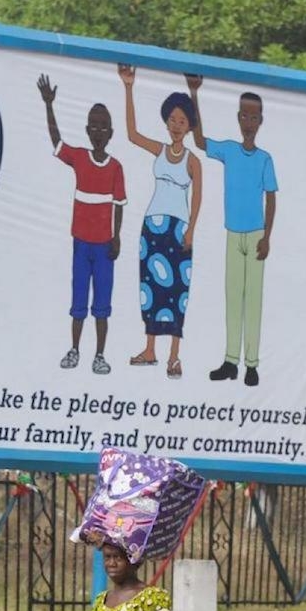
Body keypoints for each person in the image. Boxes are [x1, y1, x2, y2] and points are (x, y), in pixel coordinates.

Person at [185, 75, 278, 387]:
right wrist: (193, 93)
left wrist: (267, 236)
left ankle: (252, 364)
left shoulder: (265, 159)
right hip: (232, 234)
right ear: (238, 118)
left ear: (261, 121)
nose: (248, 121)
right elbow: (199, 141)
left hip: (254, 236)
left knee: (253, 300)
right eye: (244, 116)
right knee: (232, 298)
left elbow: (271, 197)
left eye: (254, 116)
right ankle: (230, 361)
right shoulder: (229, 151)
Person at [38, 74, 127, 375]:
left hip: (104, 246)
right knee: (79, 299)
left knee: (102, 302)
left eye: (104, 126)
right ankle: (74, 349)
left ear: (111, 132)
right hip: (81, 243)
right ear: (87, 130)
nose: (99, 131)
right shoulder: (79, 158)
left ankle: (99, 355)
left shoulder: (116, 167)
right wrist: (49, 105)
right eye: (94, 126)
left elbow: (119, 204)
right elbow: (57, 142)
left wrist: (117, 238)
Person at [119, 64, 203, 380]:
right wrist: (129, 87)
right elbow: (131, 134)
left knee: (178, 289)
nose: (177, 125)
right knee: (151, 287)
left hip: (178, 227)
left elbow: (197, 198)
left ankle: (174, 357)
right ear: (166, 122)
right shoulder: (161, 150)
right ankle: (150, 348)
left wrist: (192, 228)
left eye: (182, 121)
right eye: (172, 120)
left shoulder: (193, 161)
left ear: (190, 126)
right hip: (152, 225)